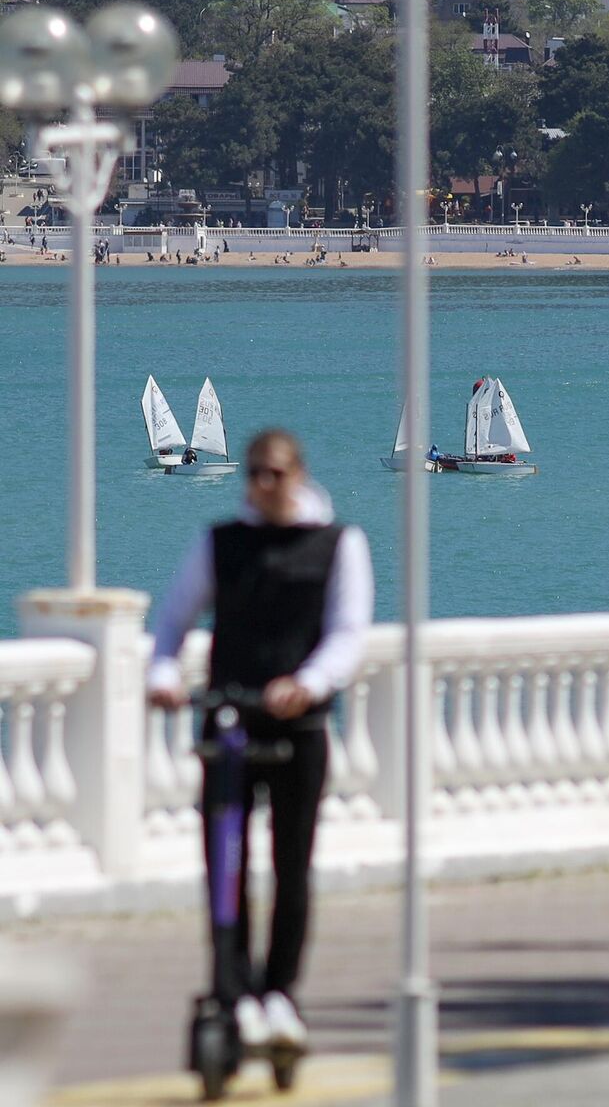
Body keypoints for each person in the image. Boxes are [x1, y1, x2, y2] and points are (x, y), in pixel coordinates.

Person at [146, 430, 373, 1056]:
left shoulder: (338, 544)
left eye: (275, 473)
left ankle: (279, 993)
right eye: (254, 473)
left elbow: (348, 634)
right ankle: (233, 989)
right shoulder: (220, 543)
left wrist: (309, 682)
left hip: (298, 724)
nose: (264, 484)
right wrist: (162, 673)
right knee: (226, 863)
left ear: (298, 473)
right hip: (229, 717)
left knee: (291, 864)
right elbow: (172, 620)